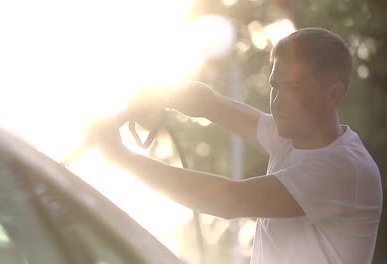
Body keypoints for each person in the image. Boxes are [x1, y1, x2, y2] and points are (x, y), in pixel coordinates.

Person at [84, 28, 383, 263]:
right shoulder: (292, 136)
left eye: (292, 88)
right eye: (274, 86)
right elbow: (209, 103)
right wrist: (162, 95)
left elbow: (230, 201)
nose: (278, 101)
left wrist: (119, 156)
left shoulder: (344, 169)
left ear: (332, 94)